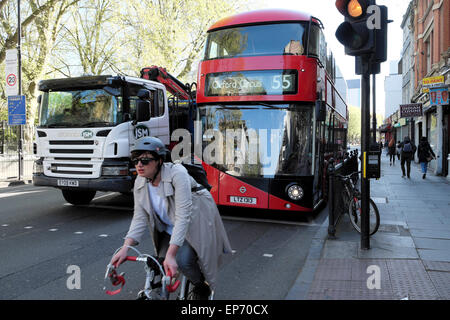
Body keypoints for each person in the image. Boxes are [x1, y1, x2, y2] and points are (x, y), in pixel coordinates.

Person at [111, 136, 232, 300]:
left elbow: (183, 217)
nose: (139, 165)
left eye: (145, 160)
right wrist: (125, 248)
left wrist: (171, 254)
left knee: (182, 260)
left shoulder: (177, 174)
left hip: (193, 223)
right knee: (160, 264)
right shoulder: (140, 181)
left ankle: (200, 286)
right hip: (170, 226)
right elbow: (139, 218)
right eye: (136, 160)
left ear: (160, 161)